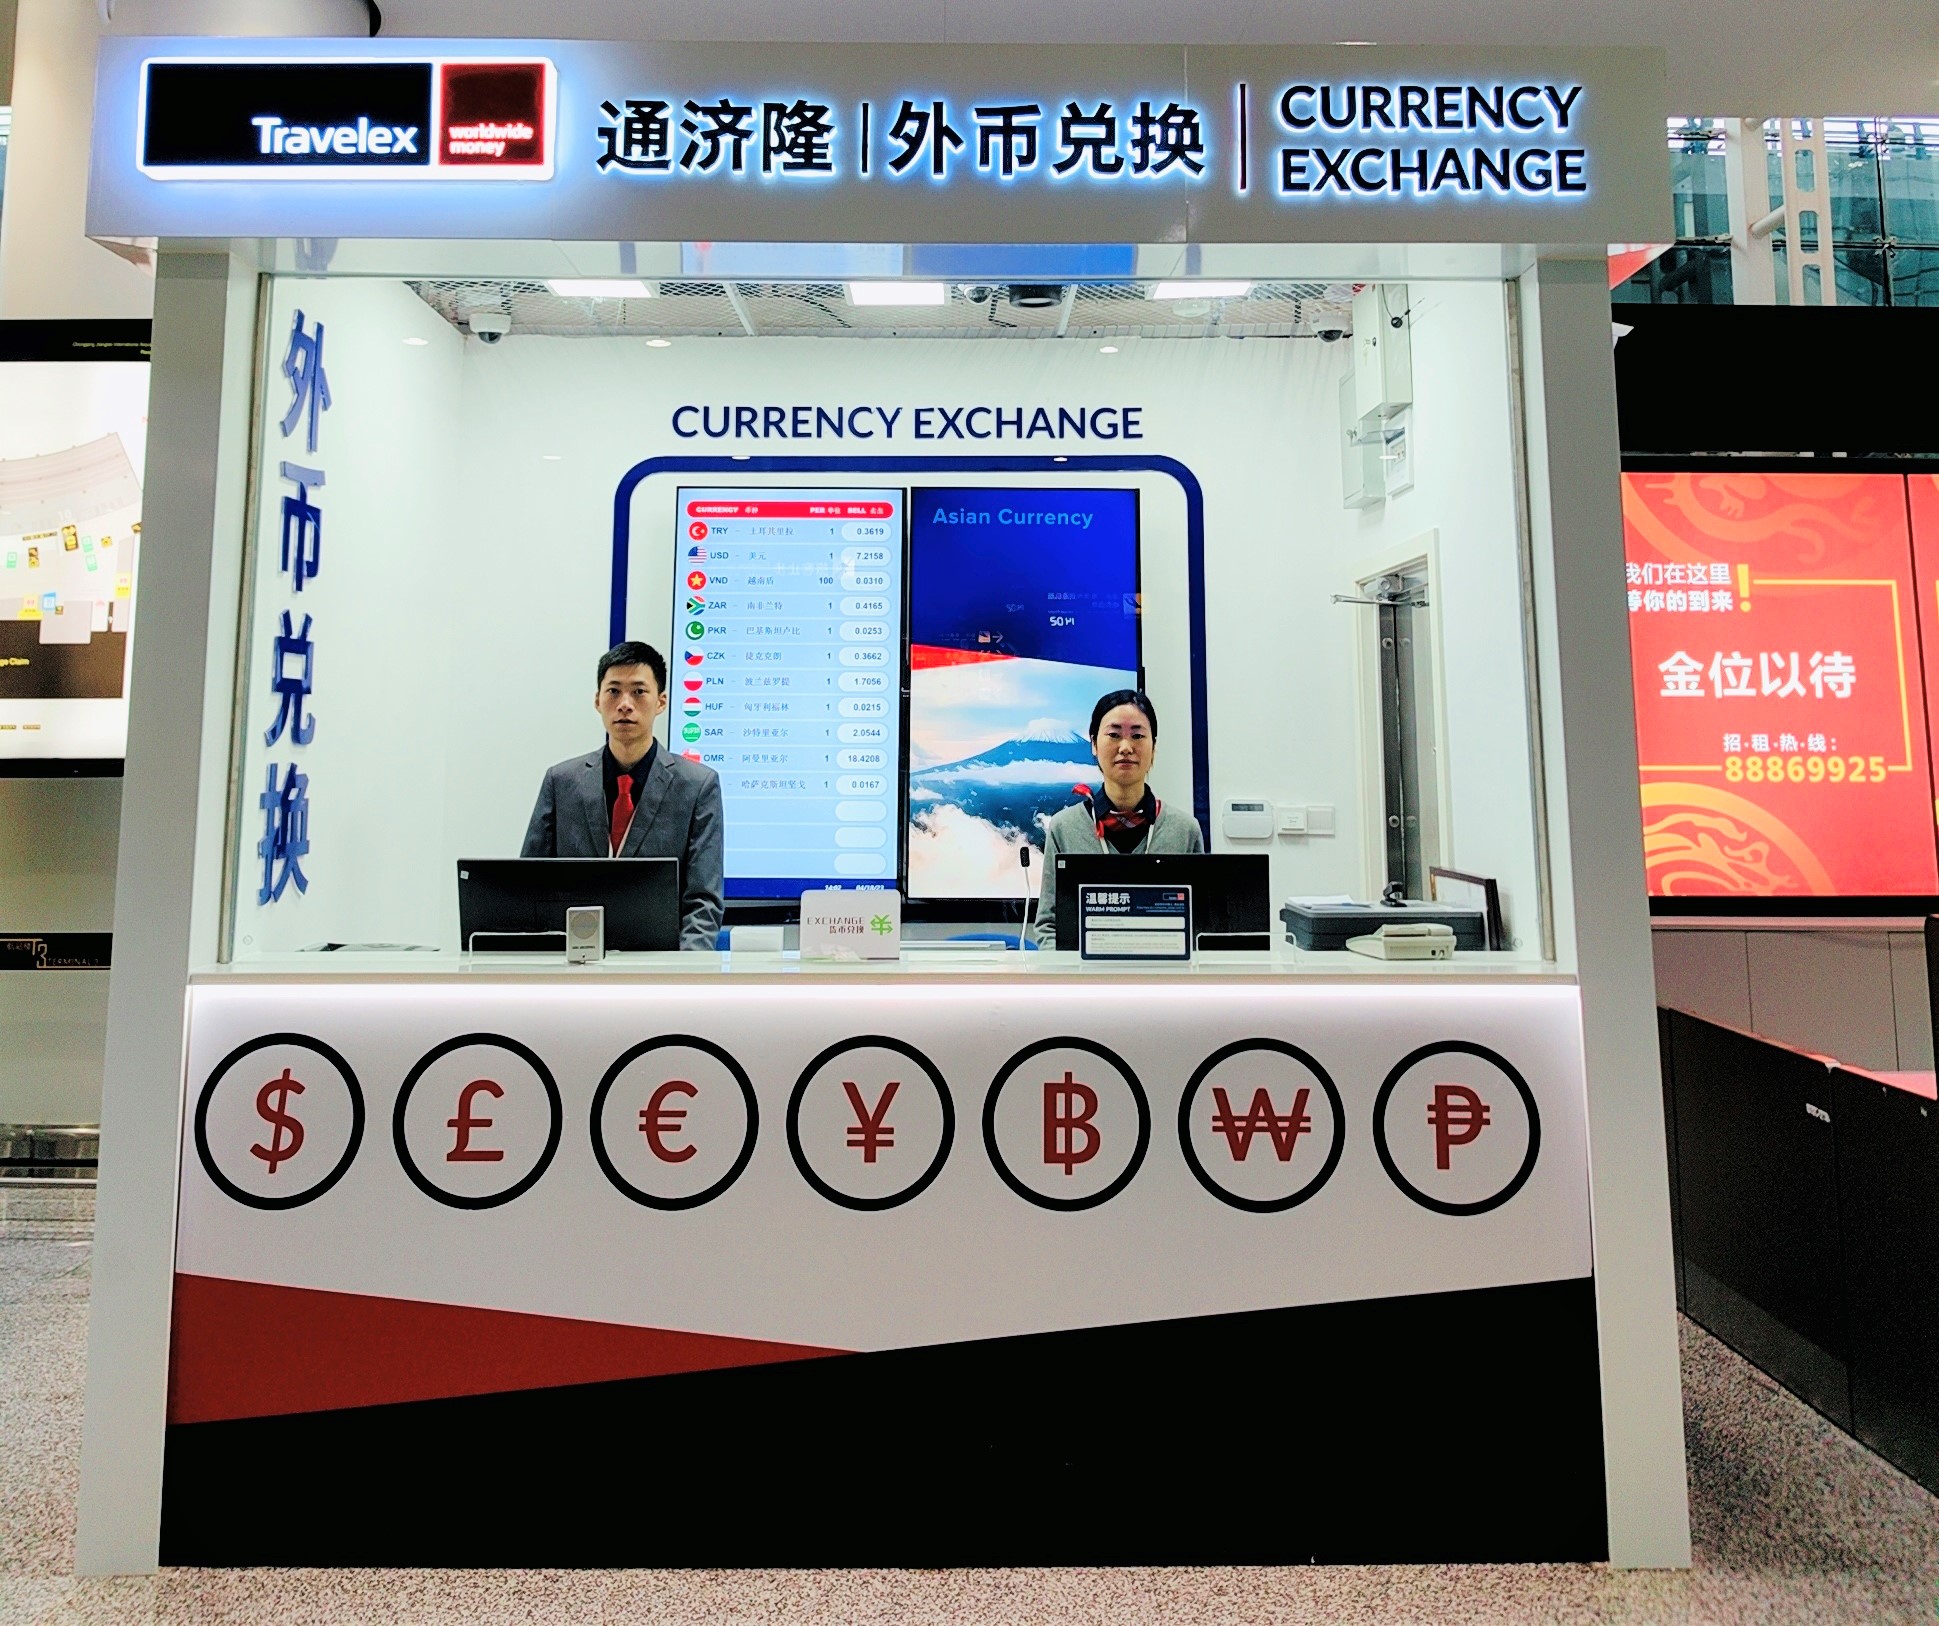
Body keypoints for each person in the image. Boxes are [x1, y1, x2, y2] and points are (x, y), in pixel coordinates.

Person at [522, 640, 724, 951]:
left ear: (661, 701)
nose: (625, 704)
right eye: (613, 691)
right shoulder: (561, 782)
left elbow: (703, 900)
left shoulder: (698, 786)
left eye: (639, 692)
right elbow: (529, 883)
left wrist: (682, 974)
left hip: (659, 971)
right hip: (571, 968)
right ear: (597, 701)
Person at [1034, 688, 1203, 946]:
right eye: (1114, 735)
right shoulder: (1064, 828)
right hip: (1087, 983)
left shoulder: (1184, 830)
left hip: (1162, 982)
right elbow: (1048, 927)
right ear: (1093, 744)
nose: (1126, 747)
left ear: (1153, 747)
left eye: (1137, 735)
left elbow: (1202, 926)